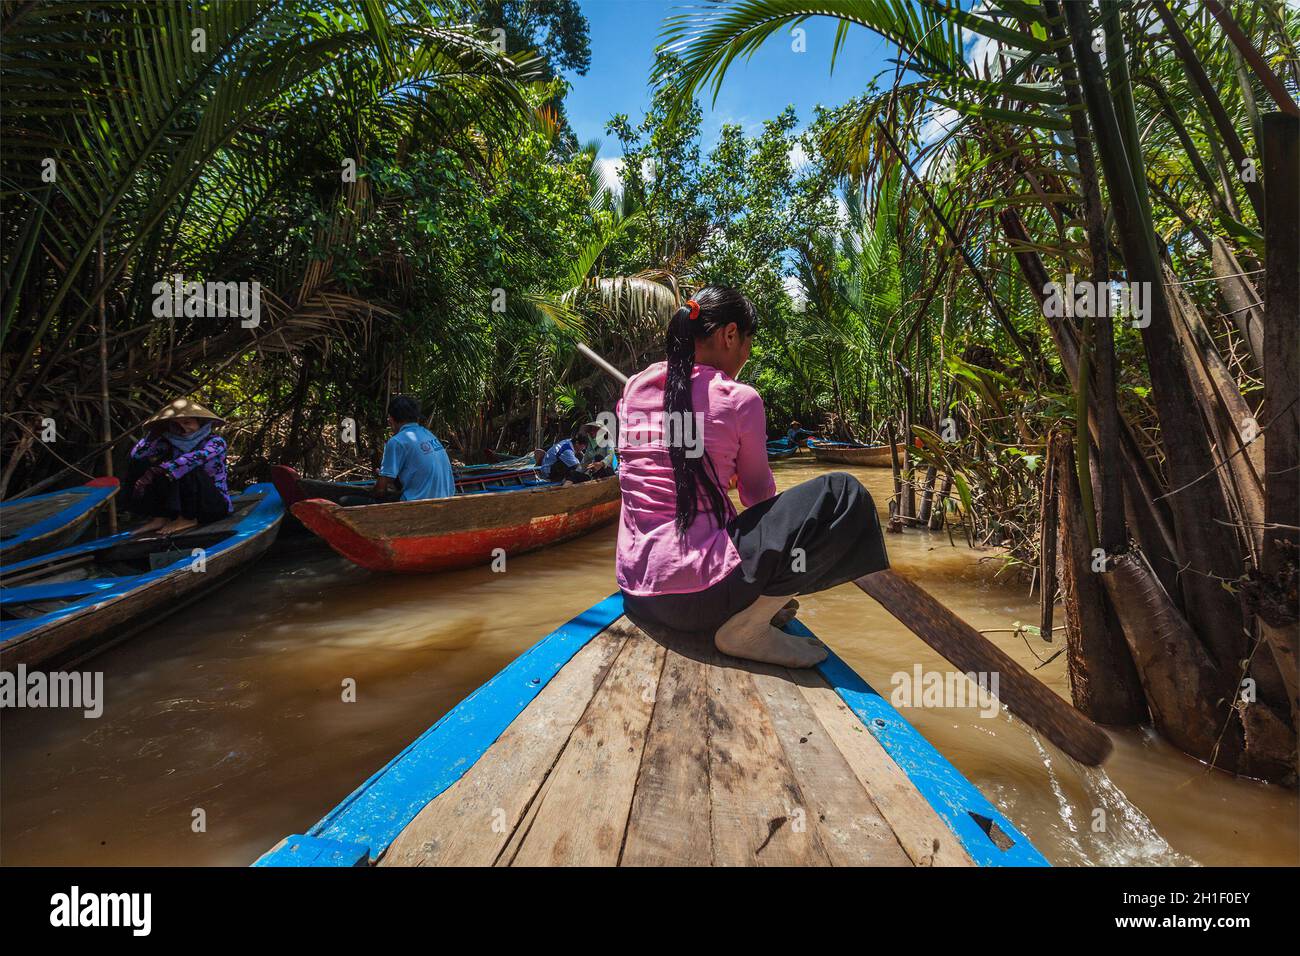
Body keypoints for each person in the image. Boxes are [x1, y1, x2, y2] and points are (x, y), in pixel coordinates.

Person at [615, 286, 890, 669]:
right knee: (843, 494)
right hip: (695, 599)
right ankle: (750, 626)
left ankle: (753, 605)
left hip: (637, 594)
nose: (745, 355)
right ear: (729, 335)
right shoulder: (739, 398)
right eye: (747, 343)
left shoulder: (633, 388)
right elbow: (758, 498)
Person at [126, 398, 232, 536]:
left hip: (211, 505)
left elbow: (196, 458)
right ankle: (160, 517)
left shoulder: (215, 442)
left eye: (187, 422)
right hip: (180, 504)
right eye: (176, 425)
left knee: (186, 467)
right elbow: (137, 455)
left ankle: (187, 519)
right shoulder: (168, 442)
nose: (183, 428)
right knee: (144, 465)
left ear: (199, 422)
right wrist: (153, 435)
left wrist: (164, 468)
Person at [341, 396, 455, 505]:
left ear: (391, 419)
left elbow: (380, 491)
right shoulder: (428, 434)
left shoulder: (397, 441)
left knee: (345, 500)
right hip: (446, 501)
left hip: (417, 505)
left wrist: (380, 481)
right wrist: (388, 478)